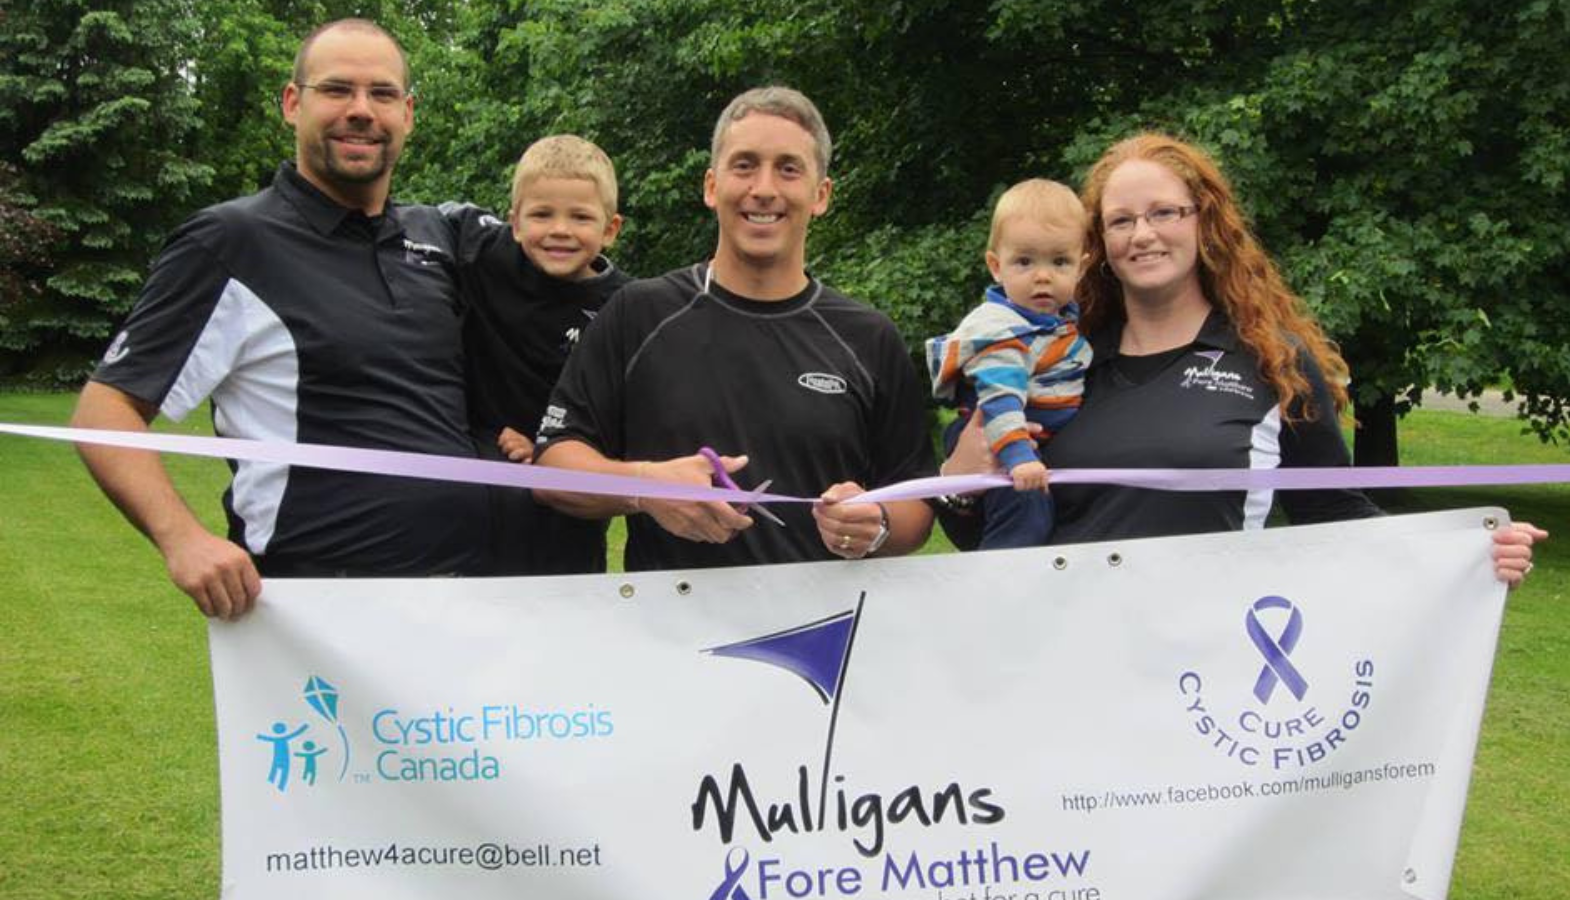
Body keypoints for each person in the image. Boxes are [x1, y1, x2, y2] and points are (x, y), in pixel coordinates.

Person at [937, 133, 1545, 584]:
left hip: (1202, 670)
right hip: (1061, 662)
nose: (1142, 233)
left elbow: (1329, 508)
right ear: (1098, 242)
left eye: (1164, 213)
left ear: (1206, 222)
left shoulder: (1270, 359)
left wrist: (1469, 549)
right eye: (1120, 220)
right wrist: (959, 479)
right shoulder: (1062, 358)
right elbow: (984, 533)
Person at [70, 18, 491, 619]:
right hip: (312, 606)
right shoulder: (230, 242)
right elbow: (104, 411)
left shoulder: (435, 239)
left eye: (382, 94)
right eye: (337, 89)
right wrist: (182, 539)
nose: (362, 111)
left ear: (408, 114)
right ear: (294, 104)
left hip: (463, 593)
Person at [535, 86, 936, 571]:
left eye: (788, 168)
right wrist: (644, 488)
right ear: (711, 185)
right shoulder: (638, 314)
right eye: (744, 165)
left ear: (821, 195)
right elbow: (554, 465)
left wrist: (878, 524)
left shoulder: (868, 338)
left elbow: (918, 504)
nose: (764, 188)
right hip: (662, 634)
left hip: (823, 634)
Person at [444, 135, 630, 574]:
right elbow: (430, 221)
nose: (560, 230)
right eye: (542, 214)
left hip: (567, 522)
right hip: (473, 494)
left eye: (580, 216)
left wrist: (548, 446)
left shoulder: (625, 309)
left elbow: (626, 419)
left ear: (610, 228)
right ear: (515, 222)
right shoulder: (485, 254)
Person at [925, 179, 1091, 549]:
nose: (1043, 275)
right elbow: (1001, 397)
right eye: (1025, 261)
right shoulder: (1002, 330)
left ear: (1081, 267)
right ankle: (1003, 579)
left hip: (1023, 437)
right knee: (1026, 511)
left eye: (1060, 261)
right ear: (996, 266)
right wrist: (1018, 458)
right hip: (998, 437)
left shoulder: (1055, 324)